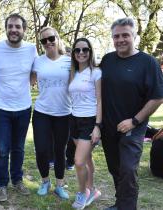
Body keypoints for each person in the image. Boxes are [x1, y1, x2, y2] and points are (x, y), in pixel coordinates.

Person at [99, 18, 163, 210]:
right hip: (108, 127)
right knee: (115, 169)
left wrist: (134, 121)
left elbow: (158, 97)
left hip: (134, 127)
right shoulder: (107, 60)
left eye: (125, 35)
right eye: (116, 36)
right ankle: (120, 204)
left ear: (134, 36)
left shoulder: (148, 62)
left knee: (128, 170)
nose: (120, 39)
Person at [0, 13, 38, 202]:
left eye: (18, 26)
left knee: (19, 148)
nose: (14, 30)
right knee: (2, 148)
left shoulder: (31, 49)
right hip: (0, 108)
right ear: (6, 28)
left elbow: (35, 72)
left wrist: (27, 85)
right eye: (10, 26)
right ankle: (1, 184)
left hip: (23, 108)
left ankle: (17, 180)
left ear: (24, 30)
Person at [31, 26, 70, 200]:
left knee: (60, 150)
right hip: (42, 112)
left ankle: (59, 185)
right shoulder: (37, 61)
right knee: (41, 149)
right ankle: (45, 181)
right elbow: (26, 80)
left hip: (64, 113)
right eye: (43, 40)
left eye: (51, 39)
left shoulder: (69, 61)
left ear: (57, 38)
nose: (48, 43)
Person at [68, 37, 102, 209]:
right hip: (73, 119)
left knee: (79, 161)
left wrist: (97, 126)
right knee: (86, 158)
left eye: (85, 49)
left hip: (89, 121)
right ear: (73, 53)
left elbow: (100, 101)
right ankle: (92, 190)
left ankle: (82, 193)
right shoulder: (73, 73)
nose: (81, 53)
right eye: (77, 50)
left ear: (90, 52)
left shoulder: (96, 72)